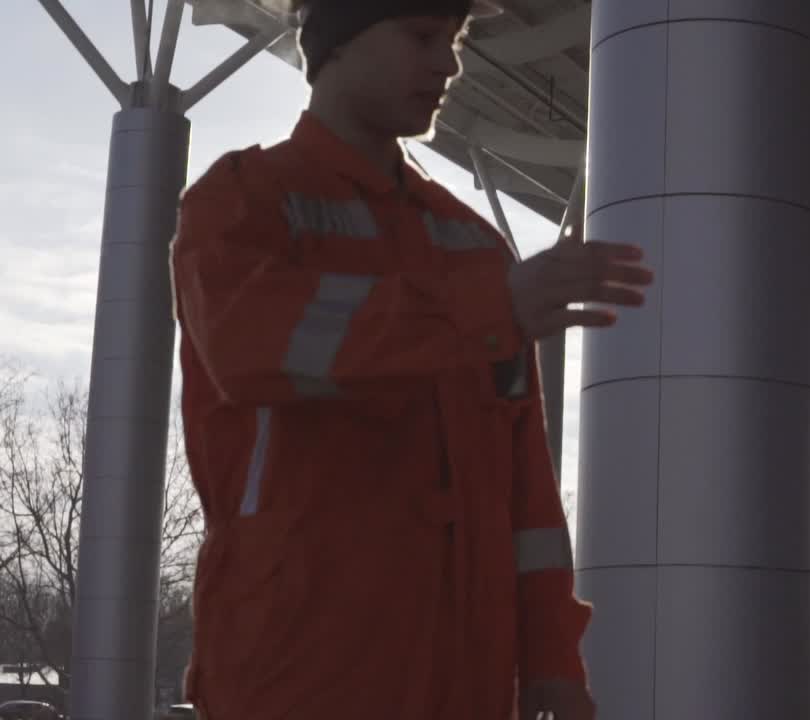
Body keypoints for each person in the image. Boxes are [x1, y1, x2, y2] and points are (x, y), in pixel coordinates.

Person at [169, 0, 653, 718]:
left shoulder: (475, 247)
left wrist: (552, 660)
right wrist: (485, 309)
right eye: (424, 36)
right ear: (336, 42)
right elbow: (250, 347)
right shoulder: (243, 202)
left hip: (463, 684)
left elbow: (527, 497)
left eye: (454, 40)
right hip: (300, 679)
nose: (449, 63)